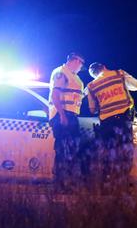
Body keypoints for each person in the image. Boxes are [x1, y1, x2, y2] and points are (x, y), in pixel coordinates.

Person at [85, 62, 137, 178]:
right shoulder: (119, 74)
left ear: (94, 75)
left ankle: (109, 180)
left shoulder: (91, 86)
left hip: (106, 123)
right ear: (104, 67)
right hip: (123, 119)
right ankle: (122, 180)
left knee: (108, 151)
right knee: (125, 150)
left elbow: (92, 109)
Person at [49, 52, 86, 184]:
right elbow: (55, 95)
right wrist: (62, 115)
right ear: (75, 61)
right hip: (64, 115)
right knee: (63, 150)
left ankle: (67, 182)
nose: (81, 66)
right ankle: (60, 183)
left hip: (71, 115)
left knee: (71, 150)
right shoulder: (61, 72)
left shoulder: (74, 77)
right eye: (81, 63)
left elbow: (75, 95)